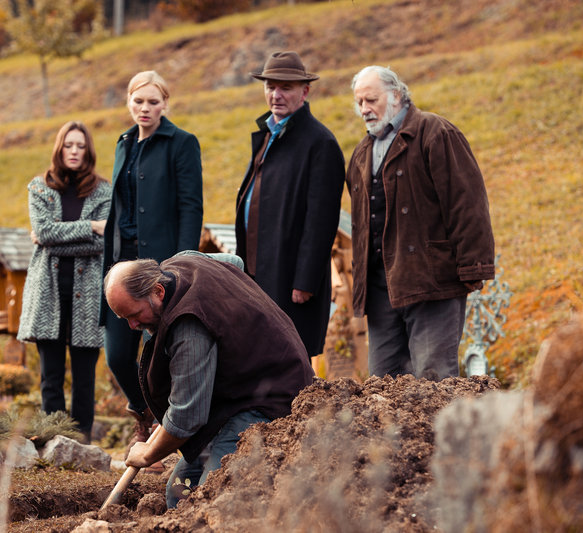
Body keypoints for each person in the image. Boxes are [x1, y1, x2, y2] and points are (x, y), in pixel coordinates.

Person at [103, 252, 313, 508]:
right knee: (179, 493)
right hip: (236, 397)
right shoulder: (182, 262)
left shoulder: (189, 326)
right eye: (124, 318)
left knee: (208, 497)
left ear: (157, 291)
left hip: (270, 397)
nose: (132, 325)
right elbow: (233, 262)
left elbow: (187, 417)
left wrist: (147, 453)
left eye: (134, 314)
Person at [346, 65, 495, 380]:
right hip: (380, 289)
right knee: (382, 387)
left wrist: (473, 268)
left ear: (397, 95)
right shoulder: (361, 152)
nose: (364, 110)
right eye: (359, 103)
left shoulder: (436, 132)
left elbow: (466, 204)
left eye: (371, 100)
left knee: (433, 382)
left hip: (432, 283)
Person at [102, 71, 204, 449]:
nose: (145, 108)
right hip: (119, 263)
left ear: (165, 104)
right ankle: (141, 410)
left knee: (163, 353)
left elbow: (191, 207)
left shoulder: (181, 143)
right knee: (116, 354)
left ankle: (164, 434)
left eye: (153, 101)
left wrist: (182, 262)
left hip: (161, 264)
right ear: (129, 102)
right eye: (138, 101)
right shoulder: (123, 143)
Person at [234, 51, 345, 360]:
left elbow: (321, 219)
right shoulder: (269, 135)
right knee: (261, 355)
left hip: (290, 278)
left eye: (286, 87)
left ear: (304, 91)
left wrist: (305, 281)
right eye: (270, 87)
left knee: (289, 359)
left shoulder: (320, 143)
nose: (276, 95)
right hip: (259, 271)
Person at [17, 121, 111, 443]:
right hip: (49, 293)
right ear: (59, 149)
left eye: (80, 146)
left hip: (88, 294)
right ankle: (54, 438)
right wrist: (91, 227)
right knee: (51, 375)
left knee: (84, 376)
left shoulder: (103, 191)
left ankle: (81, 440)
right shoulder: (40, 187)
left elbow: (103, 243)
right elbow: (43, 232)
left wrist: (53, 238)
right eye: (69, 145)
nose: (74, 151)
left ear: (88, 151)